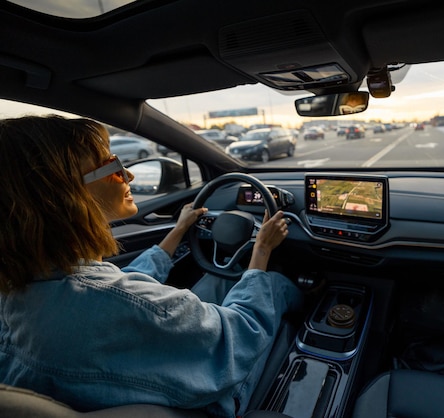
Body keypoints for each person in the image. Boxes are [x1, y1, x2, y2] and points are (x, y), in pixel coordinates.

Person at [0, 115, 303, 417]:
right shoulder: (122, 303)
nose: (129, 177)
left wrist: (178, 231)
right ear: (71, 197)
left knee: (219, 283)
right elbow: (240, 336)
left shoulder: (20, 290)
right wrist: (261, 250)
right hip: (217, 402)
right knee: (271, 286)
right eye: (114, 168)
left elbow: (116, 287)